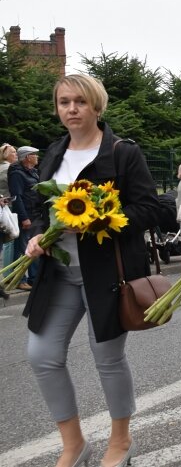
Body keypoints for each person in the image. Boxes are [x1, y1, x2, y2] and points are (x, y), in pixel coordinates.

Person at [24, 74, 159, 467]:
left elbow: (150, 208)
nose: (71, 109)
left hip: (109, 276)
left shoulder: (122, 152)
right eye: (64, 102)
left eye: (80, 102)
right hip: (60, 274)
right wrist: (39, 236)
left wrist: (100, 221)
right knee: (41, 354)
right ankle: (74, 444)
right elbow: (39, 205)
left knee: (107, 358)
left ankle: (121, 441)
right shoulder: (54, 153)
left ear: (96, 106)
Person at [8, 145, 41, 291]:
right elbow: (17, 197)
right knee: (22, 248)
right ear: (28, 157)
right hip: (26, 215)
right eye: (35, 154)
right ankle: (20, 280)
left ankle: (34, 278)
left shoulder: (32, 172)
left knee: (34, 247)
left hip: (35, 214)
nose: (37, 157)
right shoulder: (17, 173)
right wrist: (24, 217)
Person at [0, 143, 17, 300]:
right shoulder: (8, 169)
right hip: (5, 210)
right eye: (13, 152)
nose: (16, 155)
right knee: (7, 244)